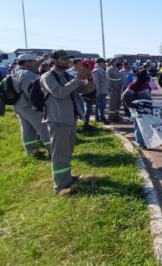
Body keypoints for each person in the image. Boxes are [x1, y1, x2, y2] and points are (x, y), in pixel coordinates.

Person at [41, 50, 95, 196]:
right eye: (63, 59)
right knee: (59, 154)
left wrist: (89, 79)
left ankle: (67, 178)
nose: (67, 61)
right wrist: (78, 78)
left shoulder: (67, 76)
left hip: (70, 119)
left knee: (67, 152)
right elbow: (59, 93)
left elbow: (84, 90)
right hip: (57, 119)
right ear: (54, 60)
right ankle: (60, 187)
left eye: (68, 59)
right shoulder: (48, 77)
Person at [11, 53, 52, 158]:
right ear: (26, 62)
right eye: (32, 61)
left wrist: (42, 59)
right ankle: (53, 151)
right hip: (30, 106)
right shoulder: (26, 74)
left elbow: (35, 65)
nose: (35, 63)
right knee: (44, 127)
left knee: (27, 129)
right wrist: (41, 105)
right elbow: (31, 92)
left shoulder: (15, 71)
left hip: (19, 105)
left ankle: (32, 152)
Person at [122, 69, 153, 149]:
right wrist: (130, 105)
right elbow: (125, 95)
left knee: (146, 126)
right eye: (145, 75)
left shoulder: (145, 83)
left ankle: (145, 141)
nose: (147, 77)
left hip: (146, 108)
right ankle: (140, 143)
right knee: (138, 126)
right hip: (138, 109)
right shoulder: (135, 84)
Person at [92, 58, 109, 124]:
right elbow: (96, 82)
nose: (105, 64)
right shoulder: (96, 71)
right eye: (104, 63)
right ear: (100, 63)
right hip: (100, 91)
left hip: (103, 91)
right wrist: (97, 91)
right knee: (101, 105)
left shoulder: (101, 70)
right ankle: (101, 117)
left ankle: (98, 118)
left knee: (100, 105)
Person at [106, 58, 124, 122]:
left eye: (117, 61)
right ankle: (111, 117)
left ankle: (116, 115)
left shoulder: (116, 69)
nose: (117, 62)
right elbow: (108, 79)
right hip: (113, 89)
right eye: (115, 61)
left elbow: (119, 78)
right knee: (113, 103)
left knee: (118, 103)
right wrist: (111, 87)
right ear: (112, 62)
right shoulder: (109, 70)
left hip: (118, 89)